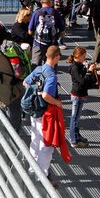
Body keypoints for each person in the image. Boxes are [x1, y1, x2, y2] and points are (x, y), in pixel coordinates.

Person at [25, 46, 68, 181]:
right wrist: (57, 103)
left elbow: (25, 83)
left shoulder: (38, 69)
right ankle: (42, 175)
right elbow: (45, 95)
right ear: (56, 57)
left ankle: (32, 168)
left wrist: (35, 92)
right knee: (46, 144)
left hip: (34, 111)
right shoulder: (51, 75)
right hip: (45, 113)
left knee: (35, 139)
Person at [68, 46, 98, 148]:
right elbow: (82, 82)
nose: (84, 58)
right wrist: (89, 72)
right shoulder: (75, 68)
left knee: (76, 118)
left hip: (80, 94)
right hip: (77, 94)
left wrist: (89, 71)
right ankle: (73, 139)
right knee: (74, 118)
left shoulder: (79, 66)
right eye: (84, 56)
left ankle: (76, 135)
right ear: (78, 56)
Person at [27, 0, 65, 66]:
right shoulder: (55, 12)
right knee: (51, 66)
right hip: (52, 44)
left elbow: (30, 30)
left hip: (39, 43)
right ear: (50, 2)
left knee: (36, 65)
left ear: (41, 2)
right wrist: (56, 37)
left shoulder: (37, 13)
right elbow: (62, 30)